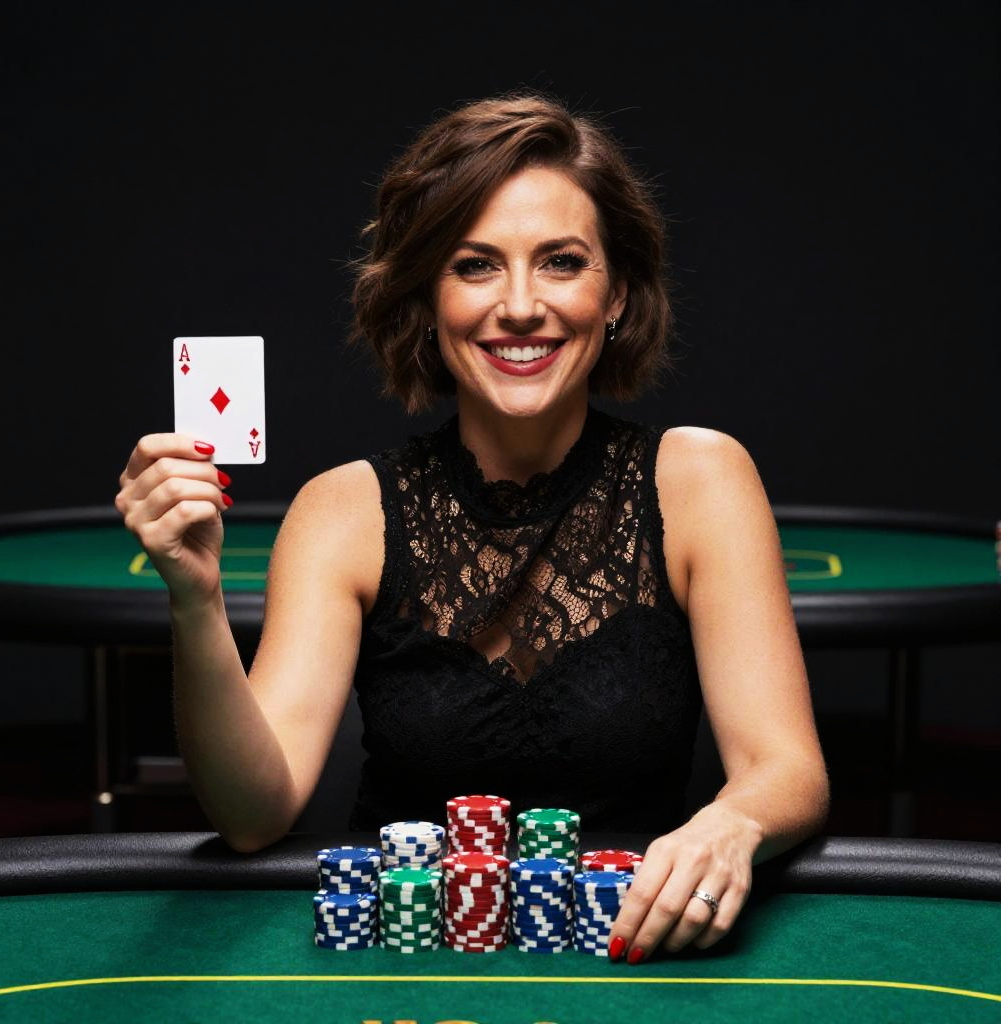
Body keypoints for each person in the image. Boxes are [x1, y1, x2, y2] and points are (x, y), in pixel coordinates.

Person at [115, 91, 829, 964]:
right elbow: (253, 815)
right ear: (426, 299)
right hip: (395, 973)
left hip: (630, 963)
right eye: (475, 265)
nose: (521, 306)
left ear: (617, 295)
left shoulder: (701, 481)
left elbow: (786, 768)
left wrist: (732, 823)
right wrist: (195, 600)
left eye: (561, 262)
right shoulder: (342, 510)